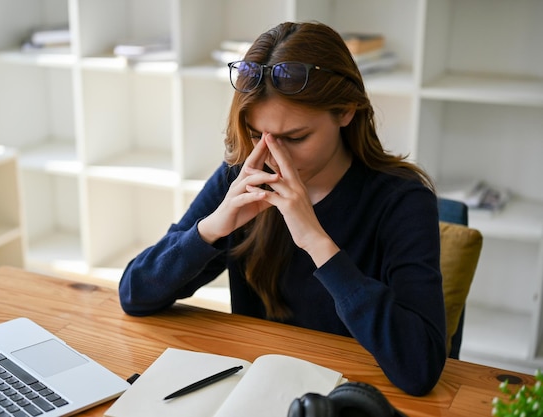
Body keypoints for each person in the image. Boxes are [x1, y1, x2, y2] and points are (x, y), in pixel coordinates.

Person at [119, 21, 446, 396]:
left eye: (296, 137)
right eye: (259, 136)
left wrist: (317, 242)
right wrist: (210, 230)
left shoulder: (402, 200)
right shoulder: (242, 177)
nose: (275, 156)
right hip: (257, 390)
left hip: (348, 396)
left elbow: (420, 368)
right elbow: (135, 294)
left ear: (346, 112)